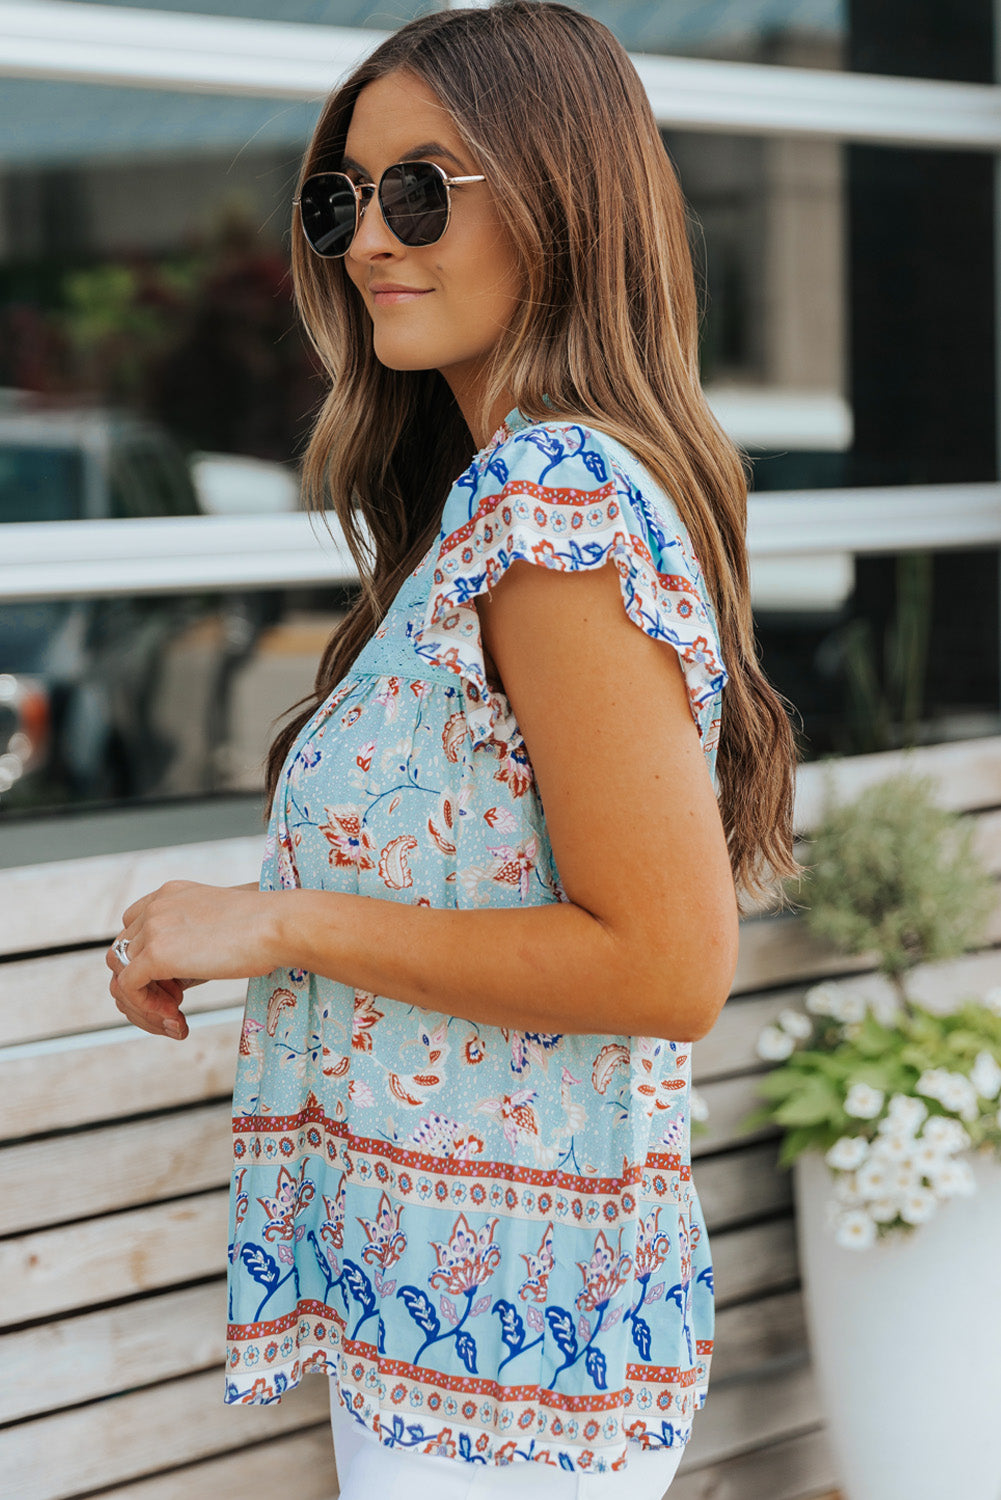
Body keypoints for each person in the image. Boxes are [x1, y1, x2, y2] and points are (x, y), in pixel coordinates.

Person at [106, 3, 799, 1495]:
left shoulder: (549, 501)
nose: (367, 239)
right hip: (465, 1318)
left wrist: (274, 921)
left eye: (422, 189)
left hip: (507, 1350)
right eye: (340, 196)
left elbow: (664, 966)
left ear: (559, 202)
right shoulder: (495, 501)